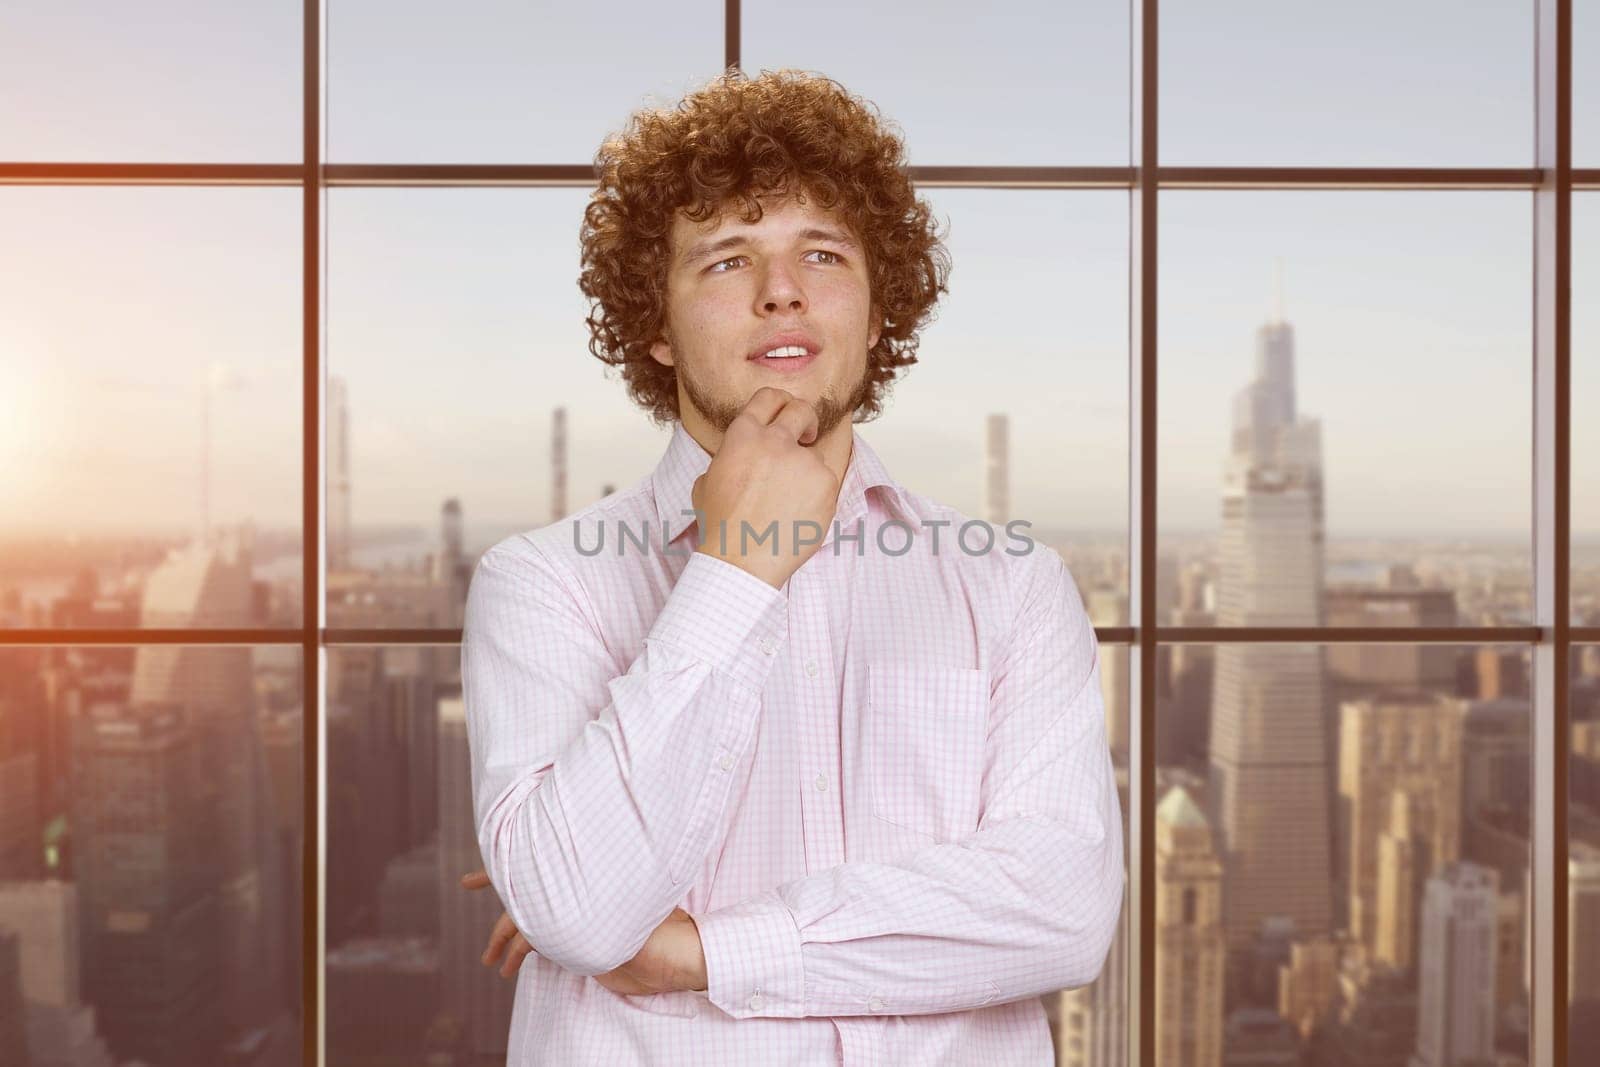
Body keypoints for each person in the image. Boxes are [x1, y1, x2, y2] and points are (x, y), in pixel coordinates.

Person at [457, 67, 1123, 1065]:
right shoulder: (543, 582)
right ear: (655, 324)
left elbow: (1061, 909)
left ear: (876, 306)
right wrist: (733, 571)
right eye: (727, 261)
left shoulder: (1009, 585)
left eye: (823, 252)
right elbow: (587, 915)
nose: (782, 288)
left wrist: (699, 948)